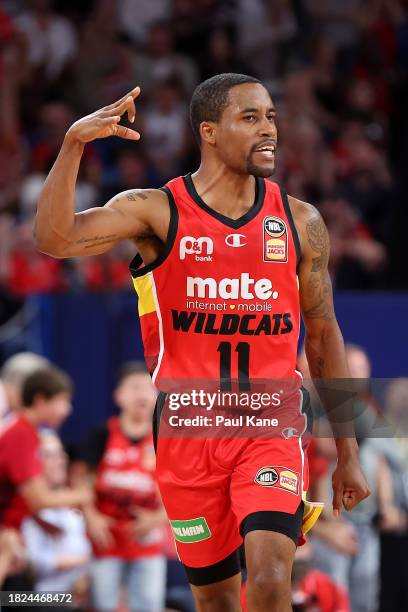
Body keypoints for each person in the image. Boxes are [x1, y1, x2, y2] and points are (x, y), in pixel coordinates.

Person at [35, 73, 370, 611]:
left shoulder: (300, 220)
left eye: (271, 118)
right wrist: (74, 143)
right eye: (251, 118)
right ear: (208, 132)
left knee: (268, 575)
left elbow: (325, 334)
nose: (269, 132)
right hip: (188, 431)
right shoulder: (158, 211)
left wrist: (350, 449)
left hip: (269, 425)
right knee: (215, 601)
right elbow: (53, 239)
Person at [79, 362, 167, 612]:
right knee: (104, 605)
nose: (142, 394)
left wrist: (158, 517)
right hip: (106, 543)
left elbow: (182, 489)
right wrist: (91, 516)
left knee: (149, 606)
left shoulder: (166, 439)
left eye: (148, 388)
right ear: (119, 395)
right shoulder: (102, 434)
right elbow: (81, 482)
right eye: (135, 387)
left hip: (146, 543)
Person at [22, 430, 91, 594]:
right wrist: (80, 562)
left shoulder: (72, 501)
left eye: (60, 454)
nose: (59, 461)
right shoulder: (23, 503)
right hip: (35, 598)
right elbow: (31, 562)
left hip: (74, 596)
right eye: (49, 455)